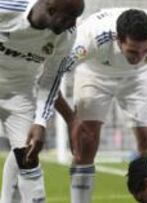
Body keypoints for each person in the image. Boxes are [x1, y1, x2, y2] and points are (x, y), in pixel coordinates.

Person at [57, 8, 147, 203]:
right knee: (85, 144)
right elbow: (49, 78)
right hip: (94, 75)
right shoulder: (90, 35)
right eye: (133, 51)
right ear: (118, 39)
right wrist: (70, 119)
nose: (140, 55)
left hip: (138, 77)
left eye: (145, 50)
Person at [0, 0, 84, 202]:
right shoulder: (7, 8)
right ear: (51, 8)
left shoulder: (67, 35)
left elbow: (51, 80)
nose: (73, 23)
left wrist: (40, 121)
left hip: (19, 95)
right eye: (69, 16)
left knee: (28, 159)